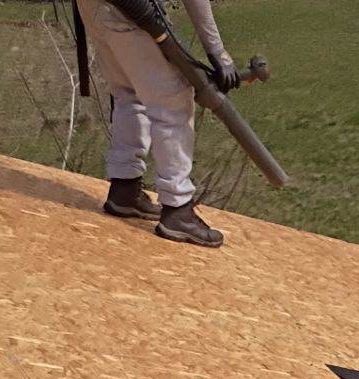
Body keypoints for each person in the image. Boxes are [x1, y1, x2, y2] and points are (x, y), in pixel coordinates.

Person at [75, 0, 238, 248]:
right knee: (172, 103)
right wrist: (217, 51)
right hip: (128, 11)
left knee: (129, 92)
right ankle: (178, 208)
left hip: (92, 8)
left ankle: (125, 189)